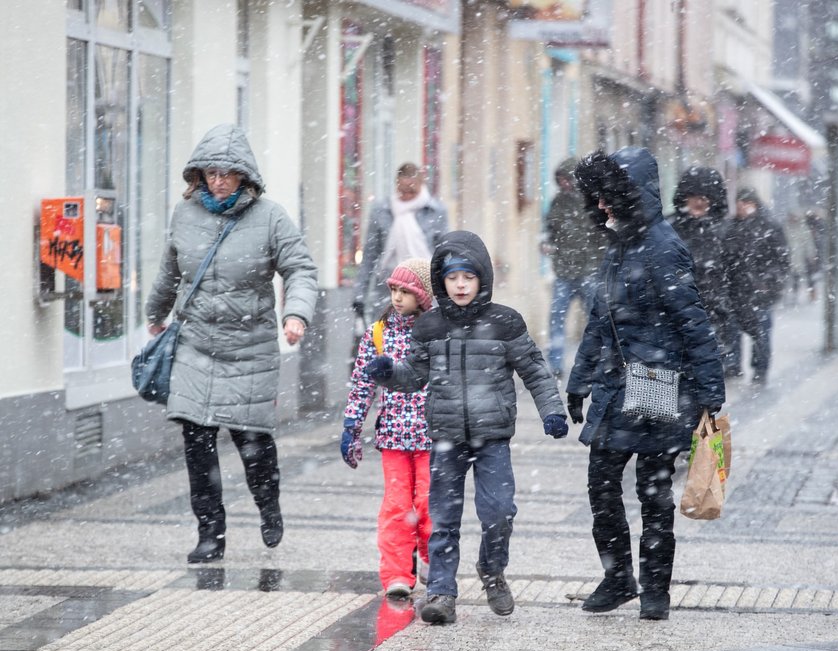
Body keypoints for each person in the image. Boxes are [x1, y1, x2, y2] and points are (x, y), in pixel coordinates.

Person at [363, 230, 569, 625]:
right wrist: (388, 372)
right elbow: (413, 376)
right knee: (443, 517)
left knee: (499, 512)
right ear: (441, 280)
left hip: (492, 436)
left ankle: (492, 571)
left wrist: (551, 412)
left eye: (469, 277)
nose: (460, 285)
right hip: (445, 437)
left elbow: (536, 372)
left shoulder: (505, 322)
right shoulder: (430, 327)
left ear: (482, 279)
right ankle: (441, 591)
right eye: (453, 277)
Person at [145, 123, 319, 564]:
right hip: (196, 345)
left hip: (250, 347)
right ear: (198, 175)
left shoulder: (270, 217)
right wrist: (155, 312)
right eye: (210, 172)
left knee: (252, 445)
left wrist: (295, 313)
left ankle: (268, 505)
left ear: (244, 176)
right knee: (197, 446)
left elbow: (299, 268)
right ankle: (210, 533)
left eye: (227, 172)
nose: (218, 180)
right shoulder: (184, 215)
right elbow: (171, 268)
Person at [566, 147, 725, 622]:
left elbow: (693, 322)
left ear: (628, 196)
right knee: (601, 484)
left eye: (606, 198)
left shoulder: (661, 246)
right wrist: (579, 381)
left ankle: (655, 589)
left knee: (653, 492)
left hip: (659, 384)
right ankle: (618, 578)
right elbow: (600, 319)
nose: (600, 208)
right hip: (618, 387)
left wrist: (711, 393)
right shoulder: (619, 244)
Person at [341, 257, 435, 599]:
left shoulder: (438, 333)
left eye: (405, 292)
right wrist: (352, 423)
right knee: (397, 506)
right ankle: (397, 572)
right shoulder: (378, 333)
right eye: (394, 290)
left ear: (423, 296)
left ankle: (431, 560)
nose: (397, 298)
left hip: (432, 437)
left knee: (429, 504)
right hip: (393, 438)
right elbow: (362, 384)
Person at [352, 163, 449, 320]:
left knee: (423, 337)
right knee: (388, 338)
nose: (407, 196)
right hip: (389, 288)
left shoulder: (435, 211)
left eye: (412, 191)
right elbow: (370, 255)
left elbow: (444, 253)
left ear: (421, 185)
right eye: (403, 191)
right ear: (396, 186)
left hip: (426, 286)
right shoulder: (382, 211)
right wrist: (359, 295)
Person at [542, 157, 610, 377]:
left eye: (567, 179)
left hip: (589, 271)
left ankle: (599, 361)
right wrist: (546, 245)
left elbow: (604, 236)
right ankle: (555, 363)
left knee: (595, 319)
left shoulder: (594, 203)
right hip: (563, 272)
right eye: (560, 180)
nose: (564, 184)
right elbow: (550, 232)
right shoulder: (557, 203)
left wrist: (597, 263)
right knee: (556, 318)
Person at [721, 188, 791, 386]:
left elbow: (782, 259)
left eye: (745, 203)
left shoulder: (769, 226)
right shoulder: (731, 227)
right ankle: (733, 365)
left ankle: (760, 369)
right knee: (732, 329)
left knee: (760, 331)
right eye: (739, 203)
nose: (741, 207)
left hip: (759, 291)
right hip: (735, 289)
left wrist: (768, 282)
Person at [670, 165, 730, 334]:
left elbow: (739, 277)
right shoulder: (667, 230)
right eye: (692, 196)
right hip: (674, 320)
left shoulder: (727, 233)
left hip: (717, 320)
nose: (699, 202)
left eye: (705, 197)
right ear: (684, 198)